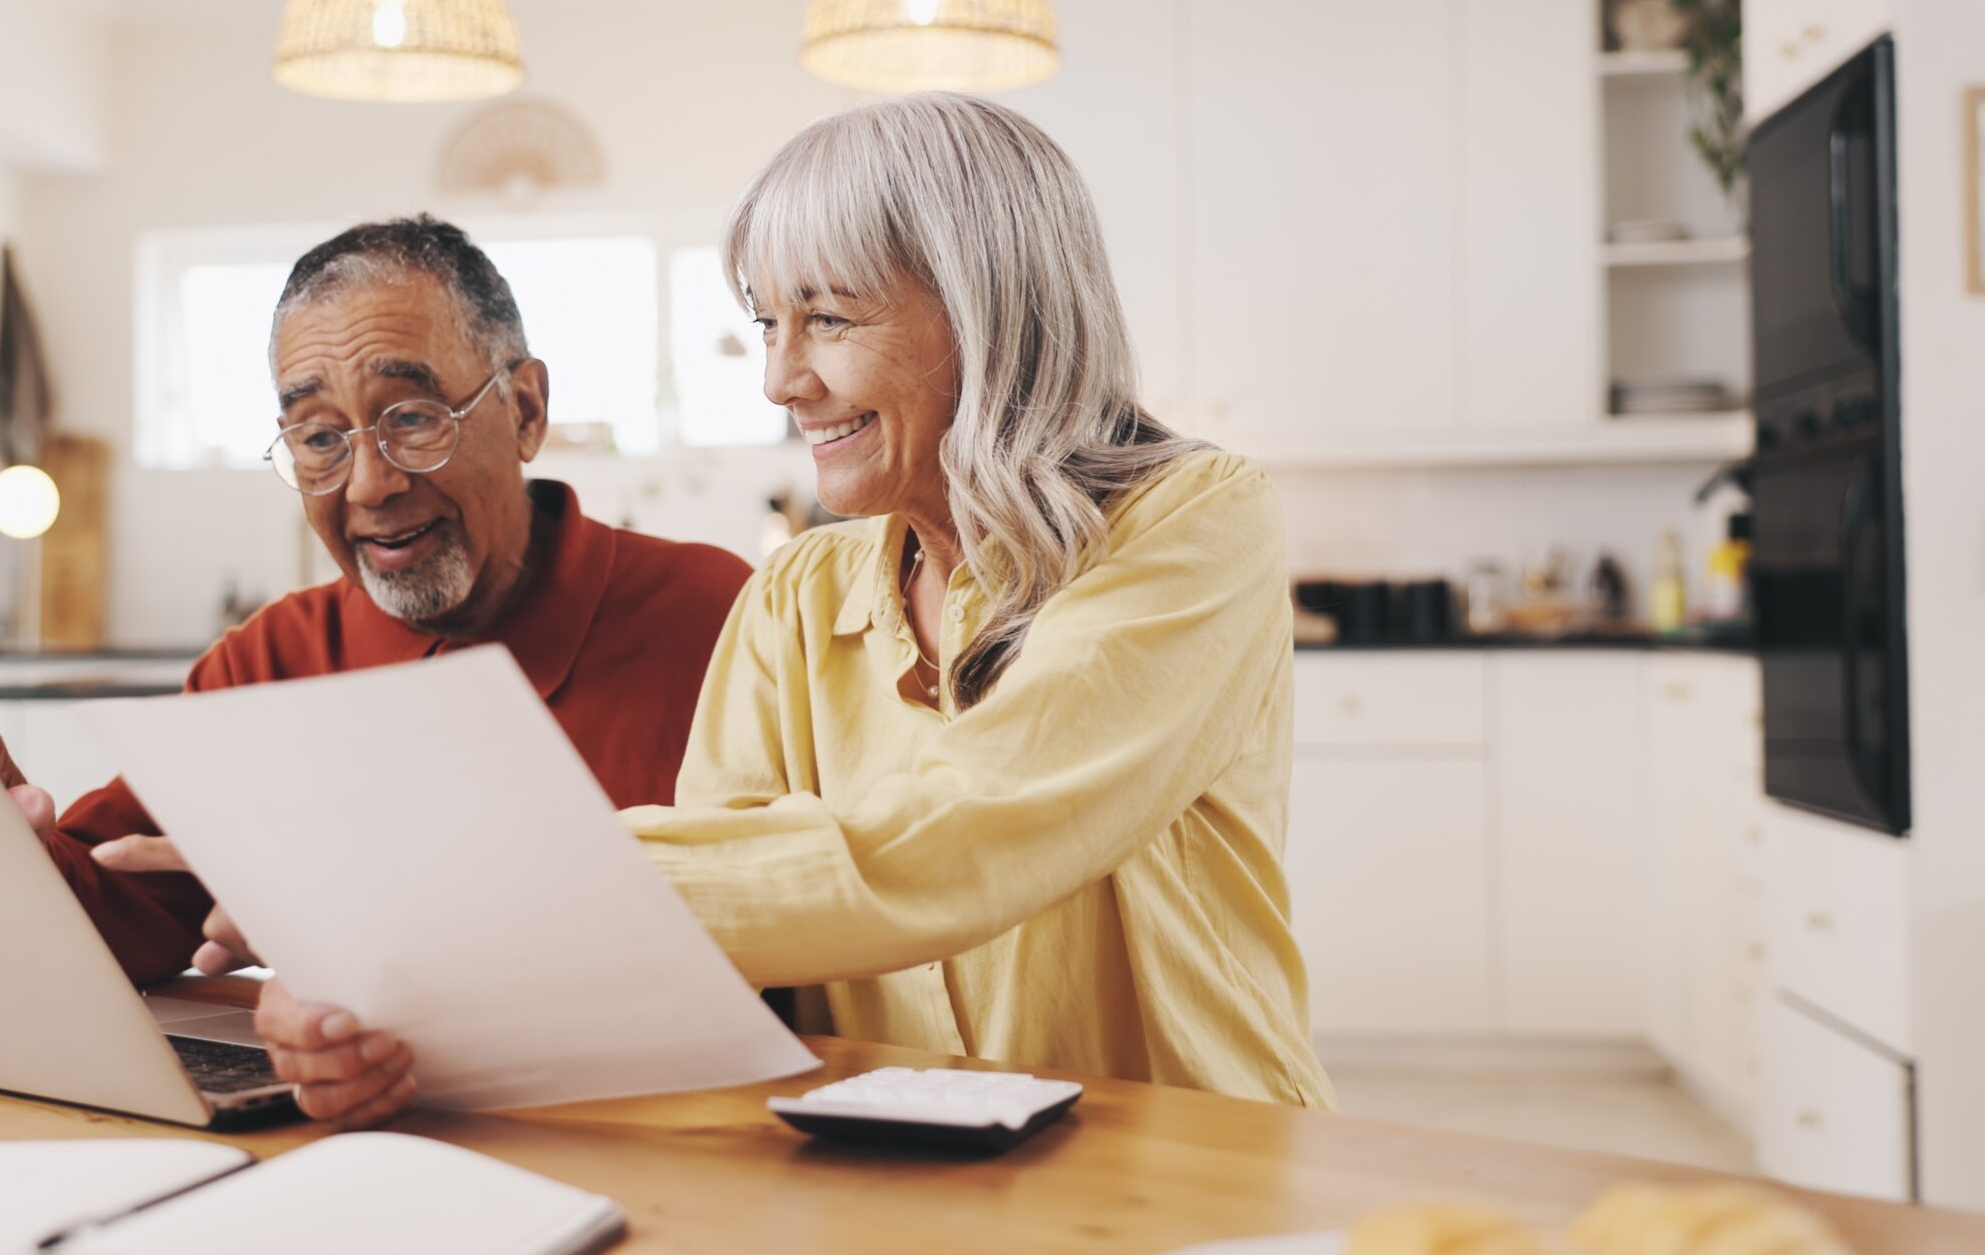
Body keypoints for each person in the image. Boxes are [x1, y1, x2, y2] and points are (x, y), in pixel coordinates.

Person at [260, 94, 1337, 1121]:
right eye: (768, 323)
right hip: (897, 1175)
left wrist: (440, 895)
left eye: (824, 318)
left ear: (988, 309)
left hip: (1196, 1170)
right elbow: (704, 936)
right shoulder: (793, 595)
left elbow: (956, 839)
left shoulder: (1193, 521)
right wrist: (384, 1011)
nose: (781, 378)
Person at [0, 218, 752, 1097]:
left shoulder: (722, 619)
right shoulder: (272, 659)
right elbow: (117, 907)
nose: (367, 485)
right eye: (318, 437)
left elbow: (807, 940)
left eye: (413, 419)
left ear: (526, 411)